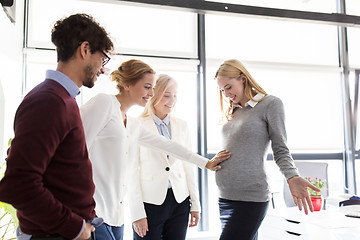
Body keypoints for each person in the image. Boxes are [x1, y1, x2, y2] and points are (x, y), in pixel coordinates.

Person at [79, 59, 230, 240]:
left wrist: (206, 163)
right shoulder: (104, 103)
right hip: (93, 208)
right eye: (147, 87)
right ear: (127, 84)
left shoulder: (132, 124)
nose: (151, 93)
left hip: (115, 213)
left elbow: (169, 146)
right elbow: (75, 149)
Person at [0, 13, 113, 240]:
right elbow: (18, 184)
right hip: (57, 234)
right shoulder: (49, 101)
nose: (103, 68)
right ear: (85, 49)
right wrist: (74, 227)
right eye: (103, 58)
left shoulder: (61, 99)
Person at [214, 59, 320, 240]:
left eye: (228, 87)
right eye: (222, 90)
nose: (226, 94)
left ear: (242, 79)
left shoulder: (270, 104)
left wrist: (292, 176)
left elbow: (280, 148)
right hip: (225, 196)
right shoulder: (234, 111)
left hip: (251, 197)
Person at [128, 74, 200, 240]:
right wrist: (137, 213)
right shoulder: (136, 125)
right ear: (154, 95)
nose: (172, 100)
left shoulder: (182, 125)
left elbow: (188, 166)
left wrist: (195, 204)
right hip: (150, 203)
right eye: (166, 95)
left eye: (175, 95)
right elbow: (130, 172)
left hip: (179, 201)